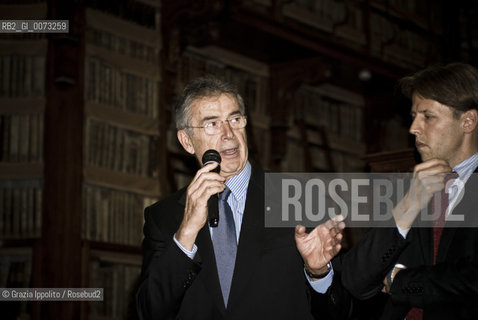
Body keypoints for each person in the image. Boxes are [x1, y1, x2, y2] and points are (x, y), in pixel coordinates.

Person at [136, 76, 348, 320]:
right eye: (212, 124)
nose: (228, 134)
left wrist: (319, 273)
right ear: (186, 141)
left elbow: (341, 311)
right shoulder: (163, 217)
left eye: (235, 119)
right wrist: (185, 235)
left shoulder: (299, 197)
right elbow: (149, 311)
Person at [342, 62, 478, 319]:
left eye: (427, 116)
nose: (413, 128)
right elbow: (355, 279)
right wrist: (409, 205)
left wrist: (399, 281)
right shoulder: (410, 188)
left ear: (468, 121)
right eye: (414, 116)